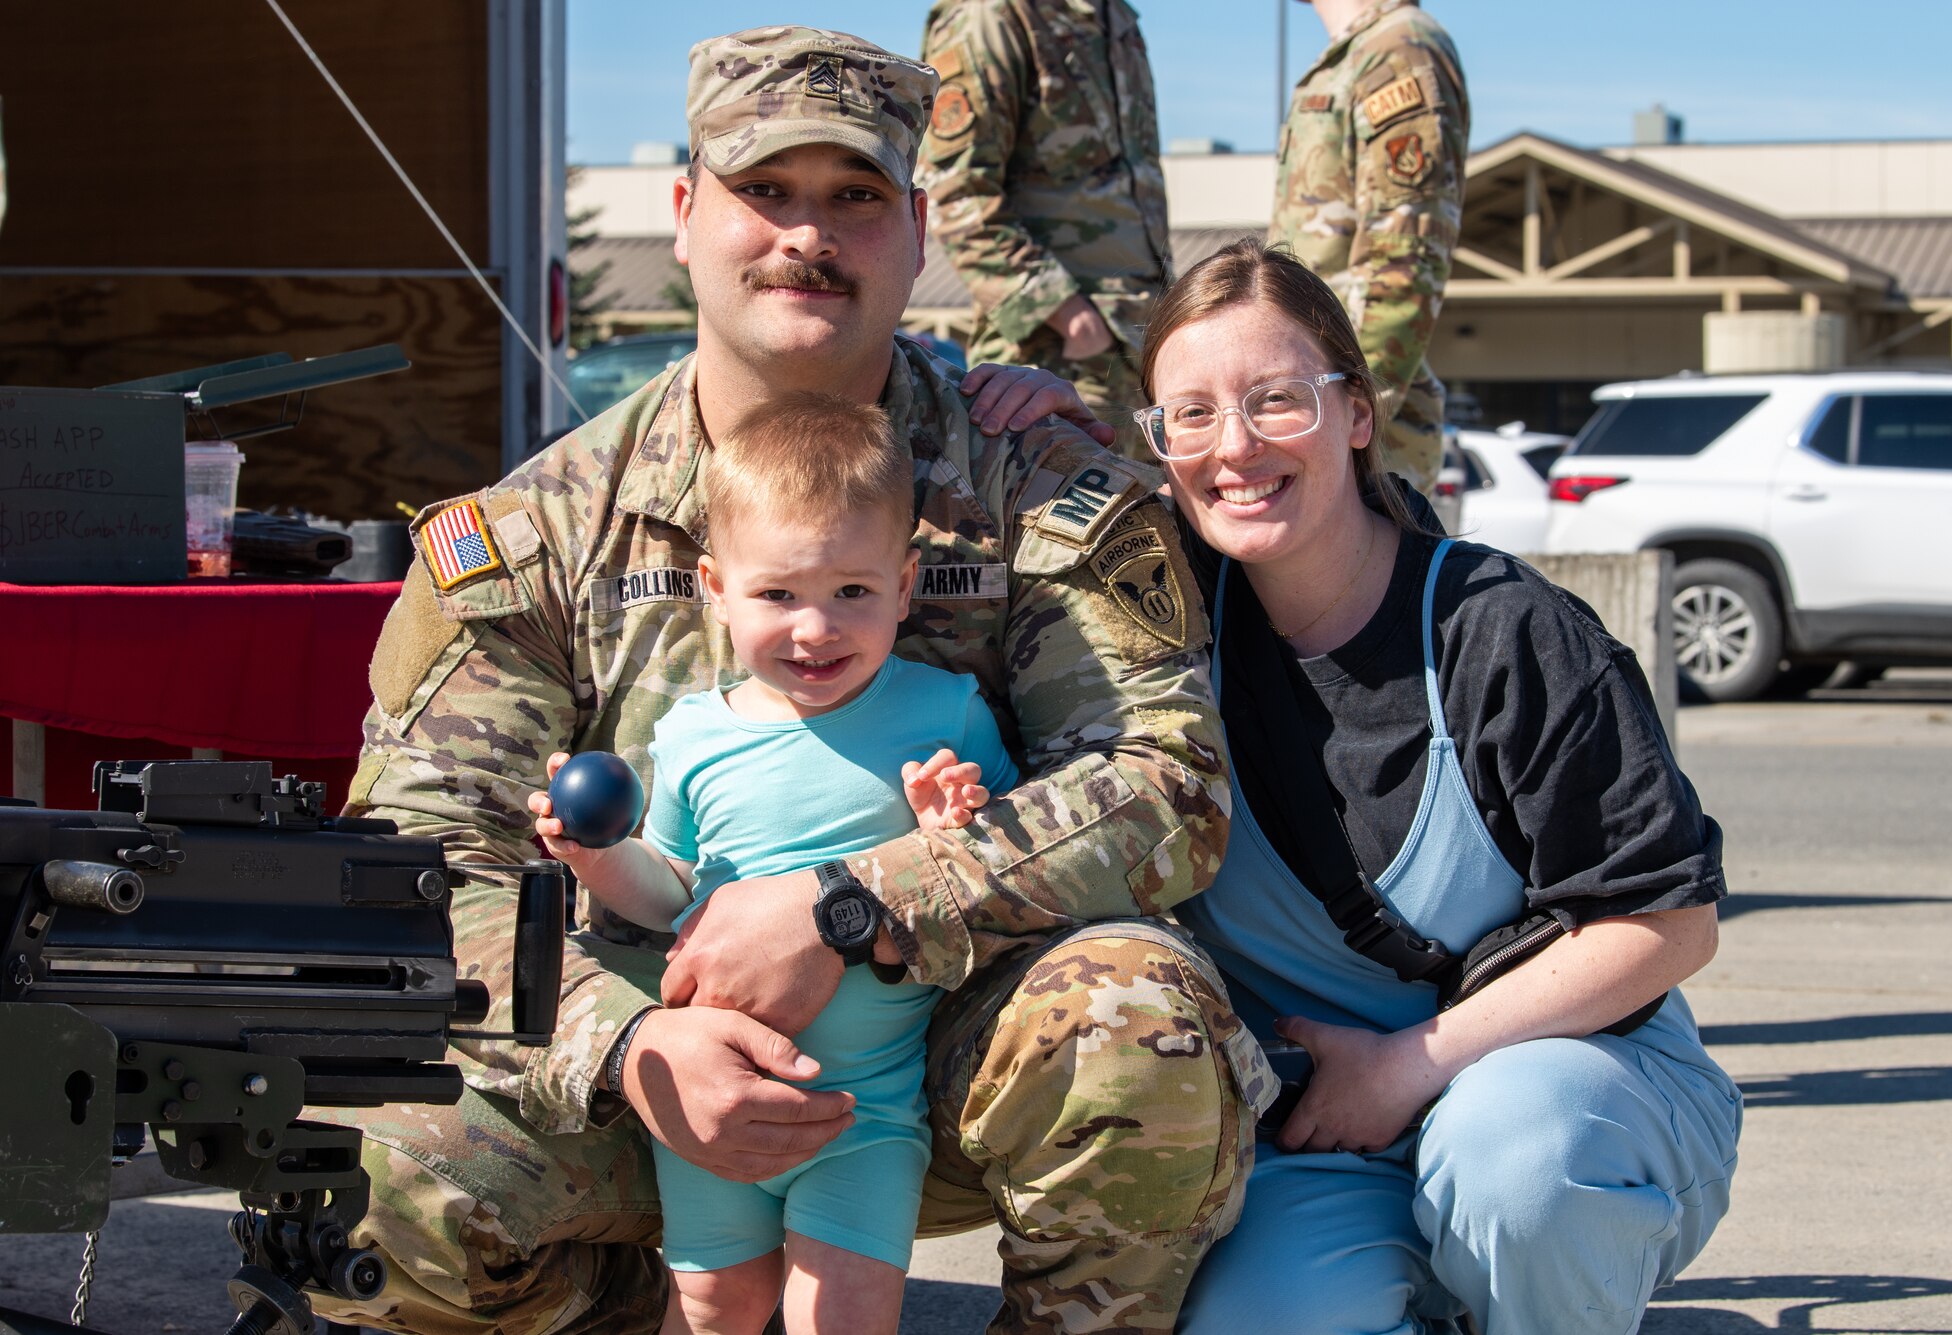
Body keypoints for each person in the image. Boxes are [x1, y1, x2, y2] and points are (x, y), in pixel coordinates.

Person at [323, 27, 1269, 1335]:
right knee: (354, 1170)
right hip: (635, 1084)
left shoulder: (1038, 484)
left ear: (920, 231)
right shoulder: (537, 532)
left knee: (1140, 1022)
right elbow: (417, 856)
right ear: (684, 214)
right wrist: (629, 1043)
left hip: (938, 1058)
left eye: (855, 197)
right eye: (766, 190)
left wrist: (855, 900)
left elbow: (1167, 784)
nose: (805, 236)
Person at [1134, 240, 1741, 1334]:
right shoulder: (1162, 650)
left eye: (1276, 400)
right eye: (1189, 414)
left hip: (1565, 1094)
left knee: (1514, 1165)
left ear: (1356, 413)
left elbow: (1669, 922)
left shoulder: (1501, 630)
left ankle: (1554, 1279)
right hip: (1333, 1137)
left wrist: (1412, 1063)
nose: (1232, 446)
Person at [528, 393, 1018, 1335]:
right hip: (717, 1098)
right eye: (778, 594)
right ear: (715, 586)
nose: (816, 628)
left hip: (863, 1112)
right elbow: (668, 888)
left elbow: (996, 863)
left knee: (842, 1312)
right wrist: (594, 854)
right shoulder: (694, 734)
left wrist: (955, 817)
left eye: (854, 592)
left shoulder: (947, 712)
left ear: (907, 586)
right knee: (713, 1303)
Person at [916, 0, 1170, 462]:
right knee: (1064, 524)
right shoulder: (992, 15)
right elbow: (958, 192)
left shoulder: (1116, 19)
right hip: (1054, 356)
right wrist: (1068, 314)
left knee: (1152, 525)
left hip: (1143, 343)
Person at [1272, 0, 1469, 489]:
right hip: (1323, 409)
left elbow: (1404, 258)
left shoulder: (1397, 47)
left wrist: (1347, 415)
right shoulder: (1361, 52)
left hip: (1355, 437)